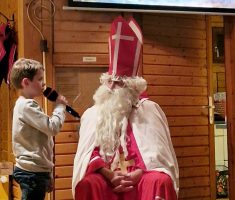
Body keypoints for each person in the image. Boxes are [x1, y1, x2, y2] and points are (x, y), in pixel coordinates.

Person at [72, 16, 179, 200]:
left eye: (121, 85)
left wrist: (136, 175)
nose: (115, 89)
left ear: (132, 88)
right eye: (112, 84)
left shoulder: (150, 110)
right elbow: (90, 154)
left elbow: (158, 157)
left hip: (140, 178)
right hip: (107, 177)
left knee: (161, 181)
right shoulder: (94, 113)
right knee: (87, 183)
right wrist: (110, 175)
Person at [10, 58, 68, 200]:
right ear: (26, 82)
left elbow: (42, 142)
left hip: (35, 171)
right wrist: (60, 107)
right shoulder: (27, 105)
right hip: (32, 172)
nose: (43, 84)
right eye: (40, 79)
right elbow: (52, 127)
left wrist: (47, 174)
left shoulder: (24, 104)